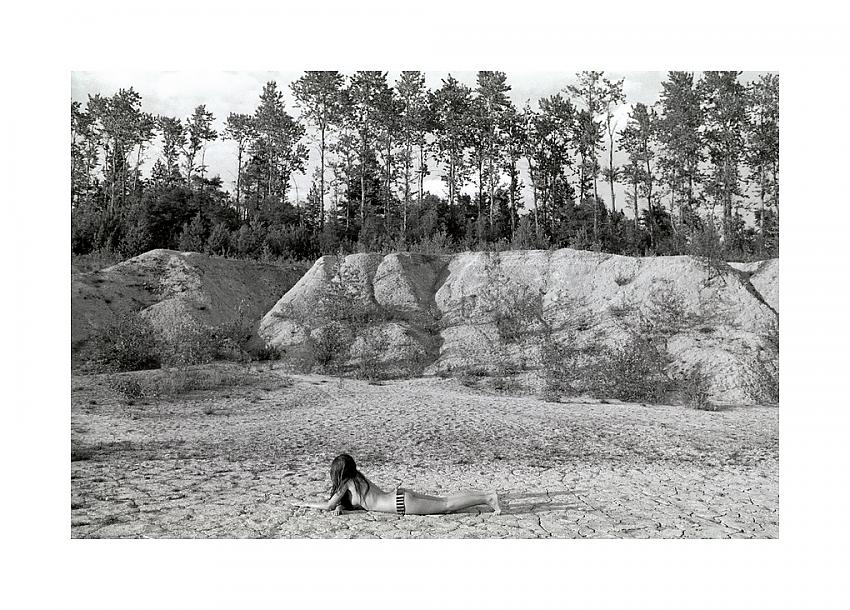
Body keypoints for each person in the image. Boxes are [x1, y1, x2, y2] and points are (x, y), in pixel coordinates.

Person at [290, 453, 501, 516]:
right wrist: (341, 507)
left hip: (400, 505)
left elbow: (327, 505)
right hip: (399, 495)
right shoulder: (358, 478)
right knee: (445, 500)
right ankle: (485, 494)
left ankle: (487, 498)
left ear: (339, 473)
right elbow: (354, 503)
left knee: (446, 507)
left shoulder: (346, 484)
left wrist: (304, 504)